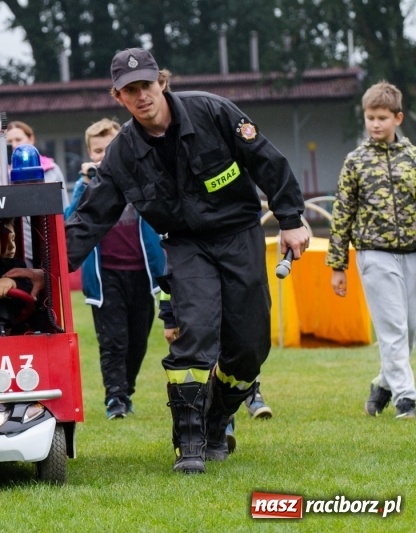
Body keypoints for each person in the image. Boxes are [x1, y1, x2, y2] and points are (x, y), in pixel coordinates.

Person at [64, 48, 309, 474]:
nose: (141, 96)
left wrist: (291, 219)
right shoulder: (121, 152)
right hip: (184, 243)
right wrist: (48, 269)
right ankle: (189, 441)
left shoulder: (214, 111)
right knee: (194, 334)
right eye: (130, 91)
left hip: (239, 234)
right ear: (118, 97)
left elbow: (267, 161)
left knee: (250, 347)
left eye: (146, 85)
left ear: (162, 81)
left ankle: (217, 419)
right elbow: (90, 218)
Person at [64, 118, 166, 420]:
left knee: (138, 340)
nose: (103, 156)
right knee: (113, 340)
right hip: (105, 274)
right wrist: (84, 185)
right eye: (97, 151)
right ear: (89, 155)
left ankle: (127, 389)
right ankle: (115, 398)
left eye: (109, 149)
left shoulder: (138, 178)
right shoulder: (87, 185)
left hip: (142, 273)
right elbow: (71, 222)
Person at [326, 81, 416, 420]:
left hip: (412, 252)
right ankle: (407, 400)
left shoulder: (412, 158)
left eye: (382, 117)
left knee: (408, 330)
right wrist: (338, 265)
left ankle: (382, 386)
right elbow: (342, 215)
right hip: (374, 254)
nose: (375, 124)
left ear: (397, 118)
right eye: (369, 117)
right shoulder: (355, 162)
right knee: (392, 327)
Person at [159, 294, 273, 420]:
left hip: (238, 291)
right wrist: (168, 312)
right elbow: (171, 276)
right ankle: (219, 413)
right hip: (201, 295)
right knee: (210, 343)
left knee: (244, 341)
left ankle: (251, 392)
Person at [0, 120, 69, 266]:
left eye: (18, 139)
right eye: (9, 141)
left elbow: (64, 206)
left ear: (31, 139)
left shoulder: (52, 168)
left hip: (49, 240)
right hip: (17, 244)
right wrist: (7, 173)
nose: (14, 145)